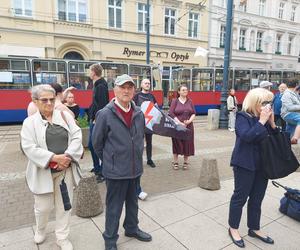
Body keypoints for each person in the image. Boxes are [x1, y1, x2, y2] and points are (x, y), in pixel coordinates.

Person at [92, 74, 152, 250]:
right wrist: (110, 161)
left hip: (135, 169)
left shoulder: (138, 112)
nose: (126, 91)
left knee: (133, 203)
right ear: (115, 90)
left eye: (130, 87)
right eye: (122, 87)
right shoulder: (104, 114)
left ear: (134, 90)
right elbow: (97, 143)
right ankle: (110, 240)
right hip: (115, 171)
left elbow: (139, 137)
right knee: (114, 208)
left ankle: (132, 228)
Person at [20, 85, 83, 250]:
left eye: (52, 99)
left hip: (65, 172)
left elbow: (77, 135)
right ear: (35, 101)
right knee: (43, 207)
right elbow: (29, 147)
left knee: (64, 206)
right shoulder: (29, 123)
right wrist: (54, 158)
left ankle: (62, 238)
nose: (49, 103)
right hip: (42, 173)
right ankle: (40, 229)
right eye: (44, 100)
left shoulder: (64, 116)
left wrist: (68, 156)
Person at [228, 88, 276, 248]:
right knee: (240, 198)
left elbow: (275, 140)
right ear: (255, 102)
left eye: (270, 102)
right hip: (244, 164)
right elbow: (247, 137)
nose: (268, 106)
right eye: (265, 102)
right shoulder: (243, 116)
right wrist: (262, 122)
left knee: (257, 199)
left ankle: (254, 228)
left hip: (262, 165)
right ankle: (233, 228)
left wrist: (272, 124)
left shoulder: (266, 118)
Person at [88, 64, 109, 182]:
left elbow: (102, 105)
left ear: (94, 72)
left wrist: (97, 119)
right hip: (94, 118)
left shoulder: (100, 86)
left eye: (90, 71)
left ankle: (102, 171)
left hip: (97, 120)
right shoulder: (97, 85)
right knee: (92, 146)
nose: (89, 73)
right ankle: (97, 168)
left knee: (94, 145)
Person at [169, 84, 196, 170]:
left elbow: (194, 113)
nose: (185, 91)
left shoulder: (190, 101)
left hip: (188, 126)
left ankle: (185, 162)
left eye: (186, 90)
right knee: (176, 143)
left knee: (187, 143)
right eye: (183, 90)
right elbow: (171, 113)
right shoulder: (175, 101)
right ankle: (175, 161)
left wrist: (189, 121)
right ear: (179, 91)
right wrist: (179, 122)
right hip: (177, 126)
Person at [133, 78, 157, 168]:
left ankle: (149, 160)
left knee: (149, 142)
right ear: (141, 85)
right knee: (139, 142)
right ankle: (137, 160)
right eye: (145, 83)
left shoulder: (152, 96)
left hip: (149, 124)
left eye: (149, 83)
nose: (147, 85)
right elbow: (133, 108)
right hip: (139, 123)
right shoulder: (137, 96)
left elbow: (156, 108)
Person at [281, 79, 300, 143]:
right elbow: (289, 107)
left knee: (290, 130)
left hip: (293, 114)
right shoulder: (287, 94)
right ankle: (295, 138)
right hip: (288, 114)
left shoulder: (293, 93)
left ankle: (287, 141)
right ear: (296, 85)